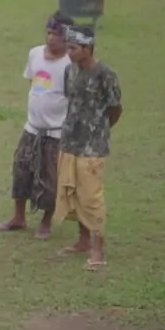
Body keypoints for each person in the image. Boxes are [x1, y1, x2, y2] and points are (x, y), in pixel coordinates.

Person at [0, 12, 74, 239]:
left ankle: (45, 222)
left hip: (56, 132)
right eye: (49, 33)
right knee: (21, 170)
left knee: (50, 179)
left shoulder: (71, 64)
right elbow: (34, 83)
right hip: (32, 127)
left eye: (57, 35)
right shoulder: (35, 54)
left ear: (67, 38)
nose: (51, 39)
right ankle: (18, 217)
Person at [56, 25, 123, 270]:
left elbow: (115, 108)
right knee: (73, 194)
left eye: (74, 48)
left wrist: (100, 130)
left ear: (87, 48)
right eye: (69, 47)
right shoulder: (69, 71)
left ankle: (98, 249)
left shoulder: (105, 74)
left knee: (92, 197)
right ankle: (82, 241)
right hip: (70, 142)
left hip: (92, 147)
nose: (69, 52)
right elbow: (70, 101)